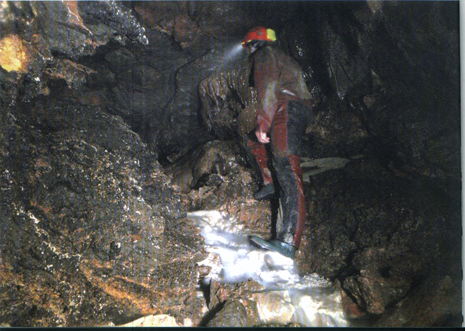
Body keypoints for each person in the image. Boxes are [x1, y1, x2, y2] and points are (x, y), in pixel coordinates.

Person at [241, 27, 314, 259]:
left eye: (249, 46)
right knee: (255, 141)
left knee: (287, 166)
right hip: (295, 108)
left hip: (287, 107)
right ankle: (270, 183)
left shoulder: (266, 54)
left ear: (254, 44)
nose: (248, 52)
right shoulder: (282, 55)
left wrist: (264, 122)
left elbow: (269, 87)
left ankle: (288, 241)